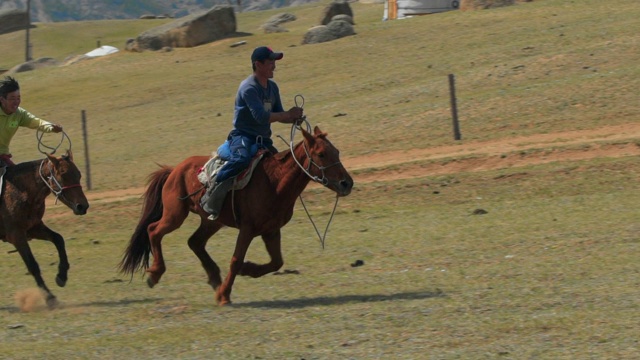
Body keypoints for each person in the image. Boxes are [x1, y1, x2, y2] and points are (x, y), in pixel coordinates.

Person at [201, 46, 304, 219]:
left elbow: (278, 115)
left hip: (263, 140)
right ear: (258, 64)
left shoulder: (272, 87)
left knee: (281, 168)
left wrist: (293, 118)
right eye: (270, 62)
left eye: (274, 62)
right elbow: (261, 116)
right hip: (242, 137)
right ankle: (213, 190)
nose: (274, 66)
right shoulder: (248, 88)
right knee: (241, 160)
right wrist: (288, 114)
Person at [0, 76, 63, 166]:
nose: (16, 101)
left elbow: (37, 122)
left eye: (18, 98)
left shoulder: (19, 114)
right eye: (12, 98)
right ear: (2, 99)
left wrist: (51, 127)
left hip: (3, 157)